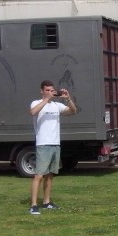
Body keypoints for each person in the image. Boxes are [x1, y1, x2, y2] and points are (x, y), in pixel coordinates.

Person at [28, 80, 77, 215]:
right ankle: (33, 205)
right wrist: (46, 100)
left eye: (52, 90)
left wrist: (68, 99)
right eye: (48, 90)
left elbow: (73, 111)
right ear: (42, 91)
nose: (51, 92)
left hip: (55, 143)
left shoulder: (57, 105)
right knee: (39, 175)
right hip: (43, 144)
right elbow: (33, 112)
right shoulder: (36, 103)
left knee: (50, 175)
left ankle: (47, 202)